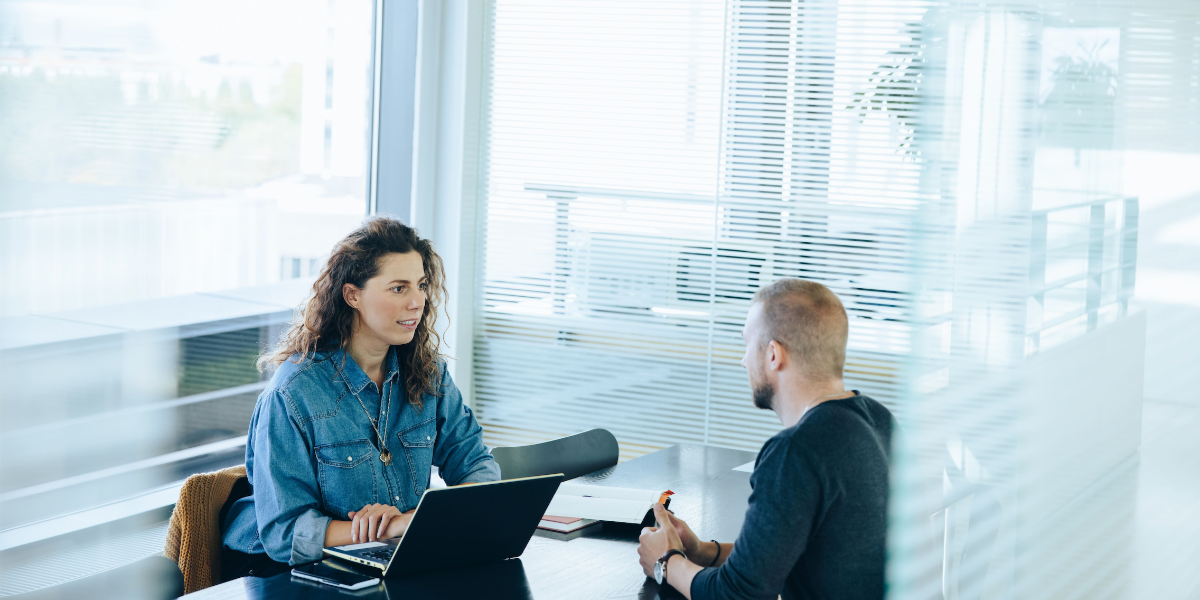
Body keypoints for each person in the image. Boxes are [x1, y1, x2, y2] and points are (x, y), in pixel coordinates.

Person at [221, 217, 500, 579]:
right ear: (352, 295)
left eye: (421, 285)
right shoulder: (291, 395)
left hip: (391, 562)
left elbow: (477, 467)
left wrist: (407, 522)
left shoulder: (428, 374)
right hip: (292, 575)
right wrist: (388, 529)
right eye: (398, 288)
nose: (418, 302)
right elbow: (284, 533)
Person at [637, 278, 894, 600]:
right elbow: (798, 550)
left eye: (747, 344)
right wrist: (703, 552)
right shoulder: (881, 420)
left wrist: (665, 561)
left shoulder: (796, 450)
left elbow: (739, 595)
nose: (743, 360)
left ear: (773, 354)